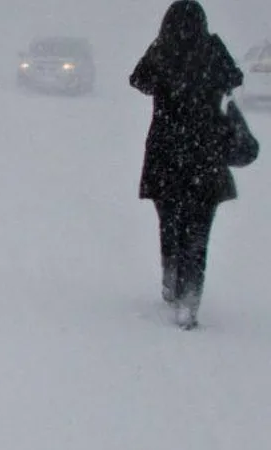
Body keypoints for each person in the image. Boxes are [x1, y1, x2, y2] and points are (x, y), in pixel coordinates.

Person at [129, 0, 244, 329]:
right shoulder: (211, 51)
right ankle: (189, 300)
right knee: (197, 235)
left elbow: (138, 80)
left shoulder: (163, 52)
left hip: (166, 155)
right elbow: (233, 78)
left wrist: (159, 47)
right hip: (205, 158)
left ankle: (171, 280)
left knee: (170, 226)